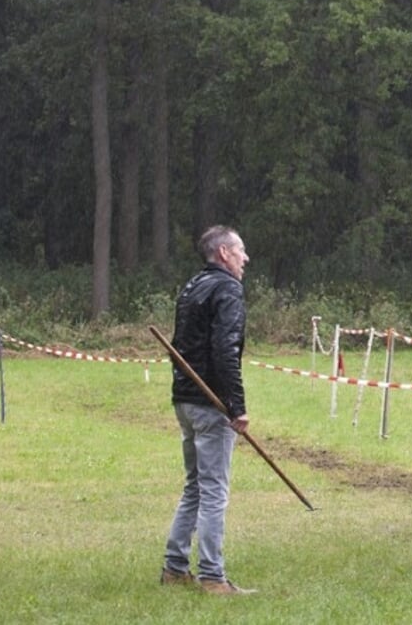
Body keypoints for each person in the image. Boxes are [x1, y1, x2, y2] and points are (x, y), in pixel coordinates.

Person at [161, 225, 257, 595]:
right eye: (240, 250)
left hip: (185, 401)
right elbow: (225, 348)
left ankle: (174, 568)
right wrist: (237, 406)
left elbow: (180, 345)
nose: (245, 258)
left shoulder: (191, 287)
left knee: (195, 488)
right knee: (214, 490)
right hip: (209, 403)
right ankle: (213, 577)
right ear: (223, 254)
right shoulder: (227, 288)